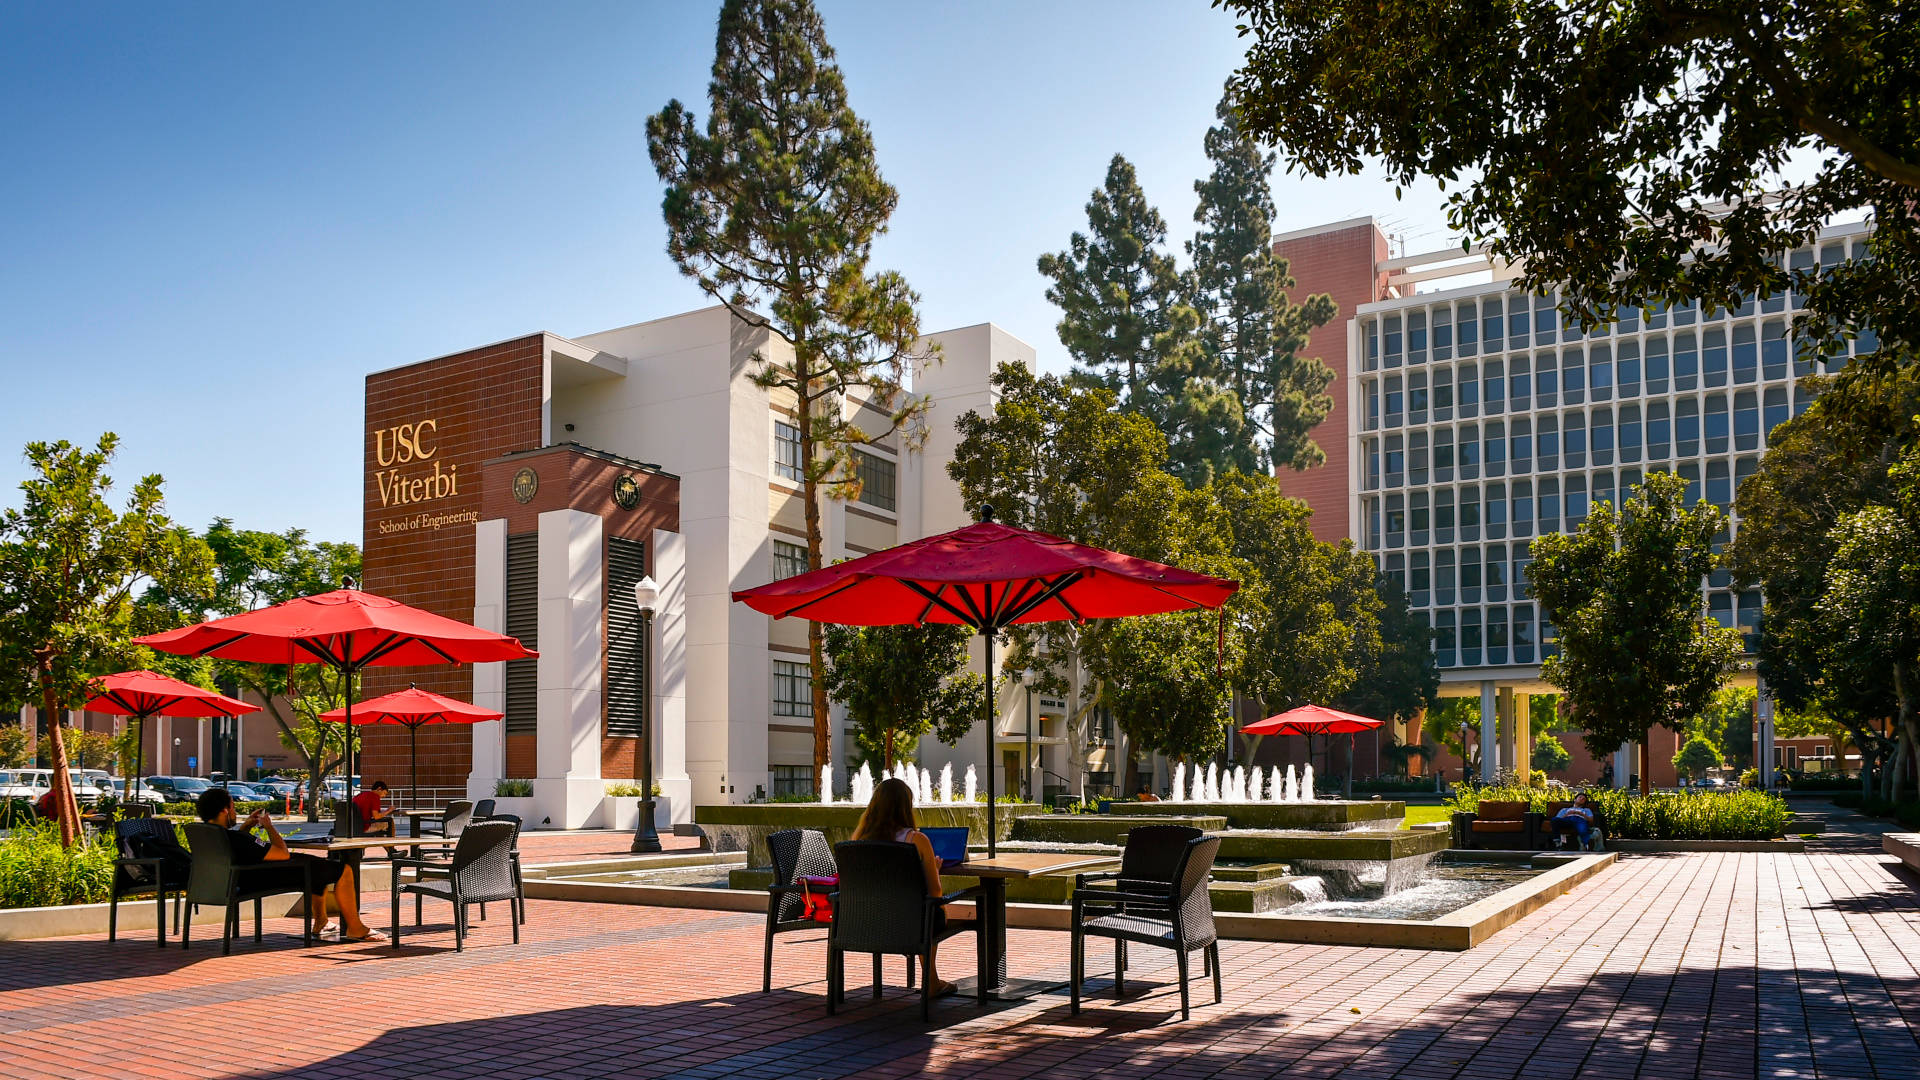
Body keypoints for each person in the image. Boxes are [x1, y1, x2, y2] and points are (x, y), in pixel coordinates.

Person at [195, 787, 382, 942]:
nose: (235, 812)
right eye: (233, 808)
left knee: (318, 867)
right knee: (343, 870)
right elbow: (282, 853)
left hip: (243, 878)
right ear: (225, 811)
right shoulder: (234, 838)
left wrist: (247, 826)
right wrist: (269, 826)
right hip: (266, 876)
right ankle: (355, 927)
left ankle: (321, 922)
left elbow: (238, 844)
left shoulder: (209, 834)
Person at [851, 777, 959, 998]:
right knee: (934, 910)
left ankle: (932, 980)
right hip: (910, 924)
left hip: (866, 923)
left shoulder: (859, 841)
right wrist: (934, 869)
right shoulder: (916, 840)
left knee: (924, 911)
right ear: (905, 807)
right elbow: (935, 892)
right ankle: (931, 981)